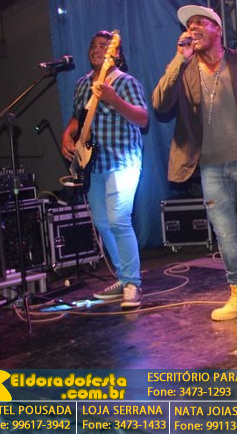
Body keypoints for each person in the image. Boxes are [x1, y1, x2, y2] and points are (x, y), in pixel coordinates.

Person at [152, 5, 237, 325]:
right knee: (224, 234)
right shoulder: (183, 68)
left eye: (200, 22)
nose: (193, 28)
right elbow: (160, 104)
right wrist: (179, 59)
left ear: (218, 29)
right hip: (210, 166)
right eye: (189, 25)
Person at [61, 30, 148, 309]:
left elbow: (142, 118)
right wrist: (68, 134)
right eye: (93, 45)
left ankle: (132, 283)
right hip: (92, 165)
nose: (97, 50)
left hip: (122, 161)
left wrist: (114, 100)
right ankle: (123, 278)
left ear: (115, 54)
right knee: (102, 222)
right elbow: (78, 117)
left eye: (103, 46)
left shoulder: (125, 82)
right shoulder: (82, 83)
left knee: (119, 219)